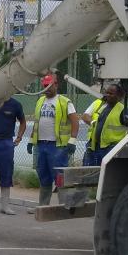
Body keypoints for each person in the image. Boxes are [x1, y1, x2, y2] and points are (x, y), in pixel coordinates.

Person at [26, 73, 80, 211]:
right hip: (41, 145)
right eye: (45, 86)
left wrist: (72, 140)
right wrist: (31, 141)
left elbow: (75, 121)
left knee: (60, 177)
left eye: (50, 85)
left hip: (57, 147)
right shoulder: (40, 101)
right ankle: (43, 206)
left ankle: (64, 207)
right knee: (43, 176)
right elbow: (36, 123)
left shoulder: (64, 101)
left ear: (56, 85)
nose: (47, 88)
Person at [90, 83, 128, 165]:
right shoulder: (105, 107)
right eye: (107, 92)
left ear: (119, 96)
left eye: (111, 93)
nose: (107, 95)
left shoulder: (123, 110)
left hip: (111, 148)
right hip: (99, 147)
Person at [81, 96, 104, 166]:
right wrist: (93, 122)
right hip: (93, 143)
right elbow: (85, 116)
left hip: (110, 145)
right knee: (89, 167)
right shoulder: (97, 103)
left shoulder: (120, 107)